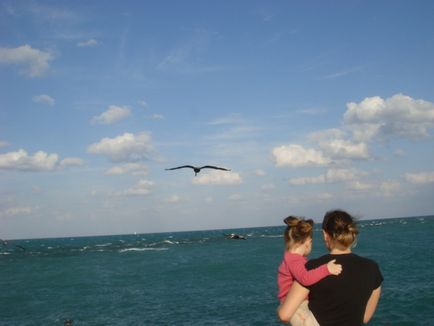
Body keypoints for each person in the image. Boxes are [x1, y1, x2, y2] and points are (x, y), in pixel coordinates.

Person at [278, 210, 383, 325]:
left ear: (325, 235)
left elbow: (285, 314)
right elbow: (365, 318)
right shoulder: (372, 269)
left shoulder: (312, 267)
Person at [277, 216, 343, 326]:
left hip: (294, 305)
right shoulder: (294, 260)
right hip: (296, 307)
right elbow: (305, 278)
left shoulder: (290, 258)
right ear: (308, 242)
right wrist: (326, 269)